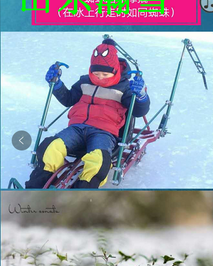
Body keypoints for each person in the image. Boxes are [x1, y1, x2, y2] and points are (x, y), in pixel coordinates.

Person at [25, 38, 150, 189]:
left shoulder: (124, 87)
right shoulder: (85, 81)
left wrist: (141, 96)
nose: (100, 78)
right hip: (77, 128)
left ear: (116, 71)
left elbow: (137, 111)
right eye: (96, 73)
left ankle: (83, 191)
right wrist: (57, 85)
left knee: (99, 161)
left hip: (104, 132)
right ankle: (38, 186)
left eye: (105, 74)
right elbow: (69, 99)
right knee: (50, 146)